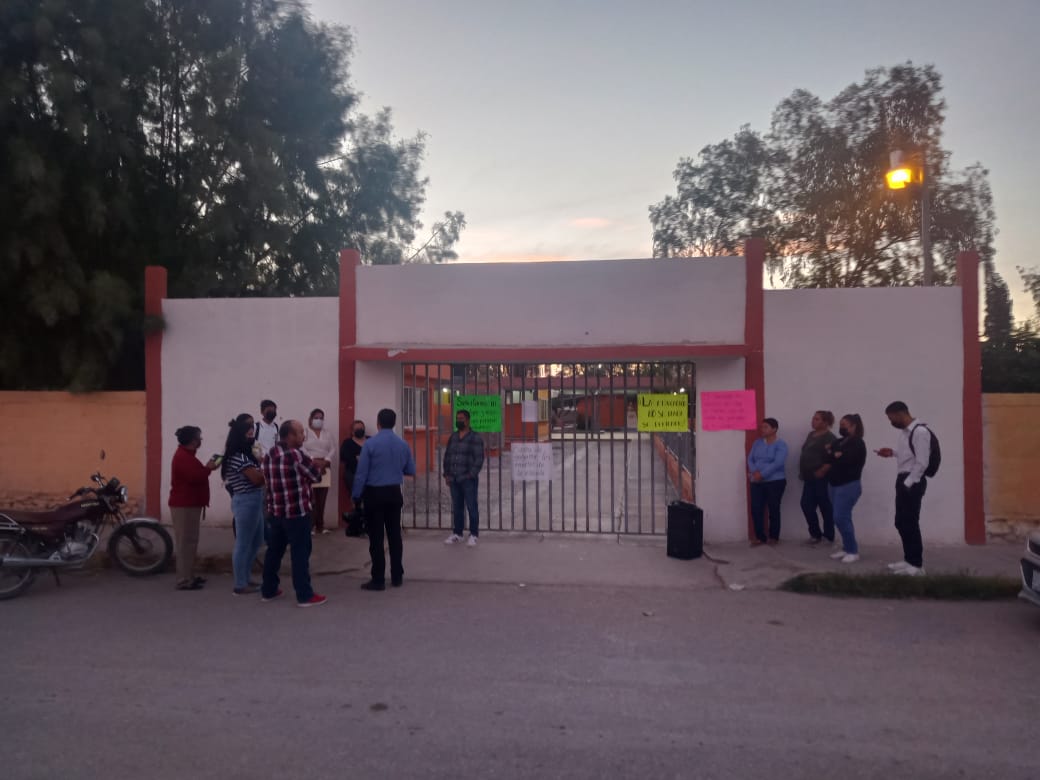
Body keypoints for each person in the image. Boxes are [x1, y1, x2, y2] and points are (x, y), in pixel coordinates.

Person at [260, 420, 330, 607]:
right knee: (300, 553)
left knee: (274, 552)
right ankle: (304, 595)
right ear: (290, 436)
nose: (303, 436)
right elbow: (315, 476)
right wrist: (319, 466)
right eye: (300, 433)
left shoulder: (270, 454)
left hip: (276, 512)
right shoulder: (297, 455)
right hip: (297, 513)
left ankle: (268, 589)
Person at [352, 408, 416, 591]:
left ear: (378, 423)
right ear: (394, 423)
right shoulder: (402, 444)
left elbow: (361, 473)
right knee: (395, 536)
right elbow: (410, 469)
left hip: (374, 495)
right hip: (394, 494)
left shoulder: (370, 445)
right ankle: (397, 576)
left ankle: (378, 579)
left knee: (376, 538)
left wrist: (356, 495)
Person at [876, 401, 932, 576]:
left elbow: (922, 462)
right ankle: (909, 560)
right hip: (904, 479)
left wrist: (908, 483)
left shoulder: (920, 432)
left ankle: (917, 565)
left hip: (912, 481)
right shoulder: (905, 433)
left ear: (900, 414)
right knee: (901, 522)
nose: (891, 422)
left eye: (891, 418)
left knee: (910, 522)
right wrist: (892, 453)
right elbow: (909, 455)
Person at [168, 425, 218, 591]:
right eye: (198, 438)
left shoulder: (187, 456)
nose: (200, 441)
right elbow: (195, 477)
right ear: (193, 441)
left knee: (190, 542)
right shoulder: (183, 457)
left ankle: (189, 575)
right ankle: (184, 579)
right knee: (185, 543)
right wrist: (208, 468)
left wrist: (207, 468)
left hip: (190, 504)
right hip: (184, 505)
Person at [222, 415, 266, 594]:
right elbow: (256, 479)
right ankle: (240, 584)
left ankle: (246, 577)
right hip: (246, 501)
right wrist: (268, 470)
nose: (251, 436)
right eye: (248, 433)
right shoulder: (238, 457)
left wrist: (260, 462)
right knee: (243, 543)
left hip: (254, 500)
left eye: (252, 432)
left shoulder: (247, 455)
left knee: (257, 541)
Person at [821, 414, 867, 564]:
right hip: (833, 484)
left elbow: (847, 460)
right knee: (840, 517)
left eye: (844, 425)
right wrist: (834, 454)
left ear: (854, 426)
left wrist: (836, 454)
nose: (841, 428)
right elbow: (828, 457)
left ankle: (853, 551)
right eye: (840, 425)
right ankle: (847, 547)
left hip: (848, 485)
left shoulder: (858, 443)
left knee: (840, 517)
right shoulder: (839, 441)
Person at [442, 409, 486, 546]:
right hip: (453, 479)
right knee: (457, 508)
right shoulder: (453, 437)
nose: (459, 421)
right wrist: (446, 474)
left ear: (467, 420)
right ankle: (458, 533)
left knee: (472, 507)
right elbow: (447, 456)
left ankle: (473, 534)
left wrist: (470, 475)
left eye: (461, 418)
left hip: (468, 479)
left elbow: (479, 459)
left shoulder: (475, 438)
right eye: (457, 418)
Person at [747, 417, 788, 546]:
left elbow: (778, 463)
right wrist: (755, 472)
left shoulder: (781, 445)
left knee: (773, 508)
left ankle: (774, 537)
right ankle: (760, 537)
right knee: (756, 508)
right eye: (762, 427)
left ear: (774, 429)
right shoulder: (757, 443)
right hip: (756, 481)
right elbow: (750, 459)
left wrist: (762, 474)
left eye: (766, 427)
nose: (762, 429)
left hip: (775, 481)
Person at [798, 411, 836, 545]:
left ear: (825, 423)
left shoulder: (830, 438)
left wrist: (823, 470)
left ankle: (828, 536)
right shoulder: (811, 435)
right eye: (813, 418)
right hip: (809, 477)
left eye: (817, 419)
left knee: (825, 506)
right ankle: (815, 534)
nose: (813, 421)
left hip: (822, 478)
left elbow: (833, 458)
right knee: (806, 505)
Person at [301, 408, 335, 534]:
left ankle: (320, 525)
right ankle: (310, 526)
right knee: (311, 497)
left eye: (321, 418)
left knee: (322, 496)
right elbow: (302, 448)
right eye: (316, 417)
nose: (319, 420)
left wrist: (326, 460)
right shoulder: (305, 432)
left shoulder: (327, 433)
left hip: (325, 466)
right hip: (310, 465)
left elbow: (333, 448)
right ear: (310, 419)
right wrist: (312, 460)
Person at [340, 420, 368, 529]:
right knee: (356, 499)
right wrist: (358, 459)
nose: (360, 430)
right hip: (353, 474)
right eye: (357, 428)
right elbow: (345, 458)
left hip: (370, 475)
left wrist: (361, 458)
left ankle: (367, 523)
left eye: (361, 428)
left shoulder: (370, 440)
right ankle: (357, 525)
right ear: (352, 431)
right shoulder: (347, 443)